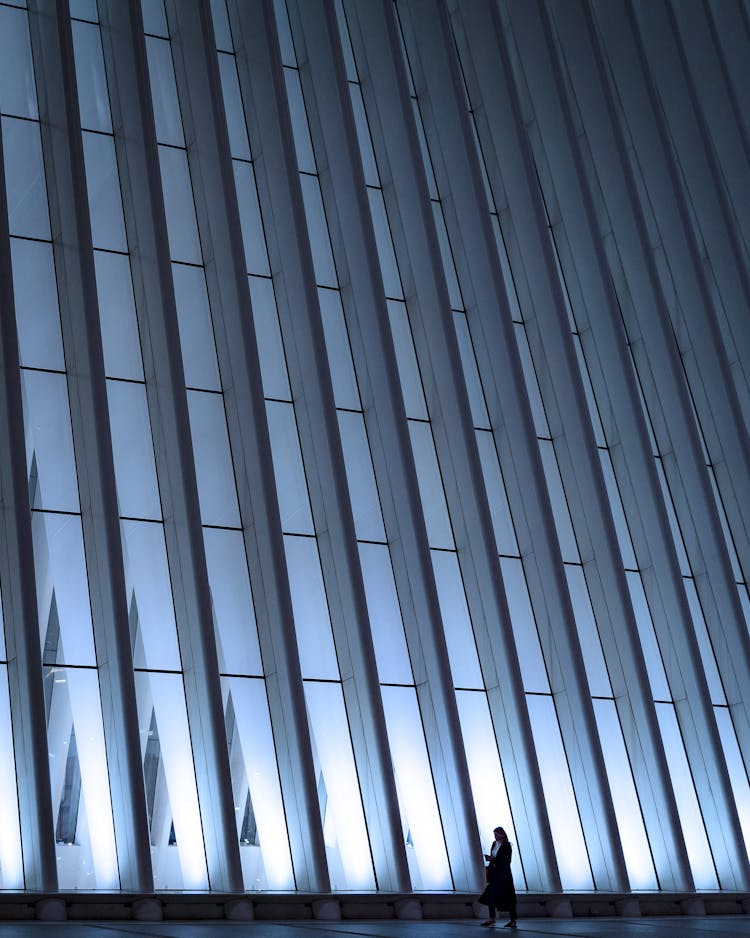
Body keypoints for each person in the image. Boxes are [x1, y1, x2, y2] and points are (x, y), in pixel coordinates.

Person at [478, 826, 516, 928]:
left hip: (504, 875)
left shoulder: (507, 846)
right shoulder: (494, 844)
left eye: (497, 834)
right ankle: (492, 918)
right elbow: (495, 858)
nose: (495, 836)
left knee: (509, 897)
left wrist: (493, 859)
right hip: (495, 874)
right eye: (494, 834)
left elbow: (506, 861)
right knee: (491, 895)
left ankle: (513, 921)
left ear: (502, 834)